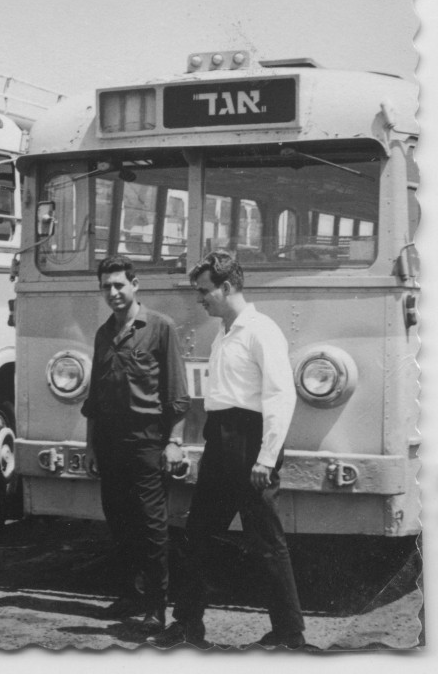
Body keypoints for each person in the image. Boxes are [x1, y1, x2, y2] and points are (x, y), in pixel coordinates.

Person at [149, 251, 305, 650]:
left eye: (204, 291)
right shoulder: (225, 331)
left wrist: (267, 458)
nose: (200, 299)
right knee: (199, 533)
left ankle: (290, 636)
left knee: (266, 542)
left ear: (228, 287)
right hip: (222, 439)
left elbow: (280, 395)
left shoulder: (260, 330)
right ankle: (187, 625)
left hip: (250, 441)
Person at [81, 255, 190, 634]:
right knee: (119, 520)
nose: (112, 293)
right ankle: (131, 594)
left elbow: (177, 393)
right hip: (110, 441)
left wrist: (174, 441)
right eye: (106, 287)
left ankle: (157, 606)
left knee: (151, 525)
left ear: (135, 284)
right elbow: (94, 397)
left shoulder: (160, 328)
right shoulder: (102, 334)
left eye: (118, 285)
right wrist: (91, 446)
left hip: (147, 441)